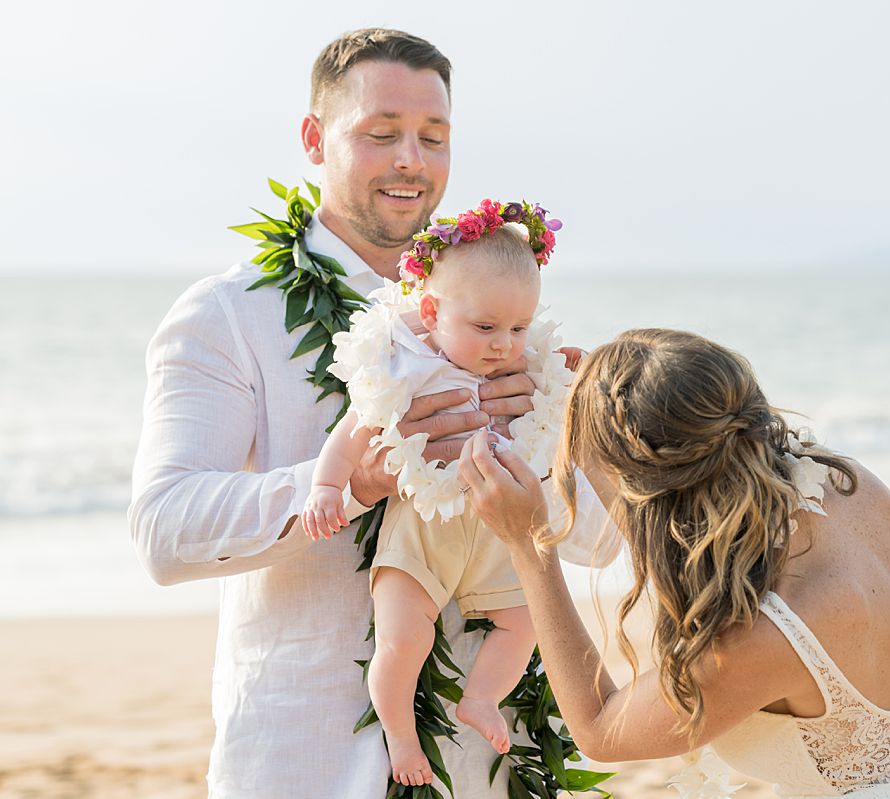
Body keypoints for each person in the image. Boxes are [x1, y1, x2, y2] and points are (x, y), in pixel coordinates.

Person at [128, 29, 609, 799]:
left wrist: (559, 447)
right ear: (315, 139)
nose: (412, 160)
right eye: (381, 134)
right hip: (304, 759)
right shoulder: (227, 315)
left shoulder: (504, 321)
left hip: (486, 759)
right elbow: (165, 530)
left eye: (434, 137)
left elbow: (601, 542)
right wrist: (356, 481)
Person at [457, 328, 890, 797]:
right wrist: (583, 399)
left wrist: (529, 544)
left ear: (645, 488)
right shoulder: (848, 485)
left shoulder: (770, 633)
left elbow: (600, 729)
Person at [302, 203, 574, 786]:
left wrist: (570, 378)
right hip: (424, 527)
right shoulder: (407, 365)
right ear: (431, 311)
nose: (504, 344)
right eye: (484, 328)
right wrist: (328, 487)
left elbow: (559, 427)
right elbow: (355, 428)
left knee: (524, 623)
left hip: (498, 527)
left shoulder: (526, 369)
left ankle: (480, 699)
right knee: (403, 639)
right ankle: (400, 736)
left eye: (518, 328)